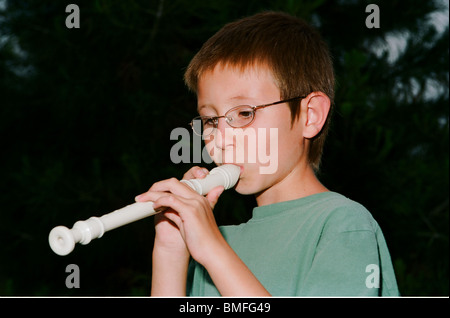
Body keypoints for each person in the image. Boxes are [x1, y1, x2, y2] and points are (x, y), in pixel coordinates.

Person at [135, 11, 399, 296]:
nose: (220, 140)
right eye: (211, 121)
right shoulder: (217, 242)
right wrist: (170, 251)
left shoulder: (342, 225)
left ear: (310, 115)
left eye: (244, 113)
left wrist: (213, 250)